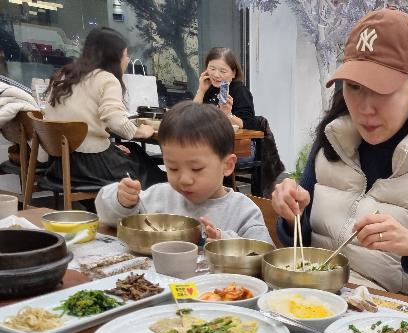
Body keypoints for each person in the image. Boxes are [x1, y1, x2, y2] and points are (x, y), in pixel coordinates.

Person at [270, 8, 408, 306]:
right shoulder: (332, 142)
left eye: (381, 90)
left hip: (386, 324)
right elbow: (301, 245)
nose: (364, 108)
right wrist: (292, 215)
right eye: (354, 87)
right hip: (312, 306)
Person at [96, 101, 272, 243]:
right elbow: (109, 218)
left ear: (227, 165)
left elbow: (262, 254)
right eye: (172, 168)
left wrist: (224, 242)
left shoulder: (243, 211)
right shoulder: (160, 196)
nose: (184, 179)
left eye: (196, 169)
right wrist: (122, 201)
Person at [44, 27, 164, 191]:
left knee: (134, 151)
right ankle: (166, 196)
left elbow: (85, 120)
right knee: (143, 166)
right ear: (114, 57)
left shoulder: (64, 75)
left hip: (59, 165)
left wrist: (109, 147)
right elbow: (114, 120)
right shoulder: (106, 79)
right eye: (125, 54)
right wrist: (141, 131)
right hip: (88, 166)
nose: (128, 60)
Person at [194, 47, 256, 131]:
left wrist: (227, 114)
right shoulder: (208, 87)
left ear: (233, 73)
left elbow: (248, 124)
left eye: (222, 71)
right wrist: (201, 91)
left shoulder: (240, 90)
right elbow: (191, 118)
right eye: (212, 69)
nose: (216, 75)